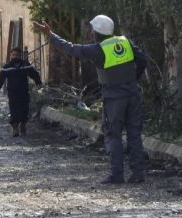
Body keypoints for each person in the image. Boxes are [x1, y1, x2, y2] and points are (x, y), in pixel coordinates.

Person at [34, 15, 148, 184]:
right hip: (132, 94)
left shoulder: (97, 49)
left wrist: (50, 35)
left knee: (113, 134)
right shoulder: (125, 42)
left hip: (114, 98)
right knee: (134, 134)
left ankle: (117, 174)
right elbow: (142, 60)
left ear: (98, 32)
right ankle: (138, 174)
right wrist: (132, 78)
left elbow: (71, 49)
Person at [0, 47, 43, 137]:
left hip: (24, 92)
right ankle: (15, 129)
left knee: (24, 110)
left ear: (20, 56)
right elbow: (0, 79)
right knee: (14, 111)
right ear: (11, 55)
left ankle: (23, 126)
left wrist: (38, 82)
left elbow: (34, 74)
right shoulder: (7, 67)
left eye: (17, 55)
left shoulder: (25, 65)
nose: (15, 57)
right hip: (12, 93)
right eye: (13, 55)